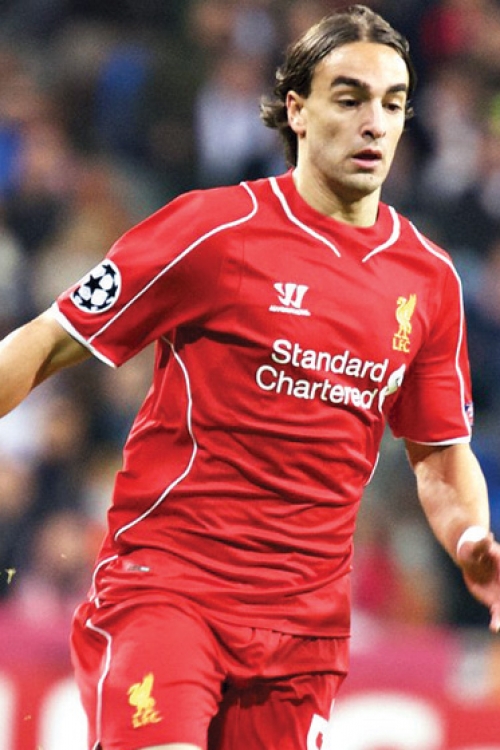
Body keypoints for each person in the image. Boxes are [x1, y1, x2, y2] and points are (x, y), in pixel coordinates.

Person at [0, 5, 499, 750]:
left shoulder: (428, 279)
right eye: (350, 99)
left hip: (304, 633)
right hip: (171, 591)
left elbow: (439, 454)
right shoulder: (212, 230)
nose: (374, 123)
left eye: (393, 104)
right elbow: (48, 341)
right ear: (297, 110)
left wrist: (470, 538)